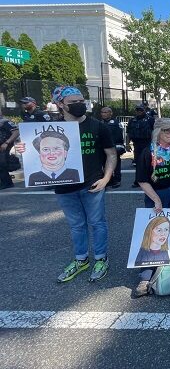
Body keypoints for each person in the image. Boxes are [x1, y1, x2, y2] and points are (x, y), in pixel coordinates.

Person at [17, 86, 117, 283]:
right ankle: (81, 259)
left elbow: (111, 154)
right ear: (60, 104)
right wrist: (23, 150)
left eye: (82, 100)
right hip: (64, 187)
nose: (80, 105)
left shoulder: (98, 126)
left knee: (97, 223)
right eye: (74, 102)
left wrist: (106, 178)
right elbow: (34, 155)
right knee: (76, 225)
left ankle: (101, 258)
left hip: (92, 184)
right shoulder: (49, 129)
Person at [134, 117, 170, 297]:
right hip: (156, 194)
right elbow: (142, 180)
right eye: (167, 131)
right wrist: (156, 199)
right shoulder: (147, 153)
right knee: (153, 234)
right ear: (158, 133)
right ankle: (145, 276)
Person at [126, 104, 154, 183]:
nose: (139, 112)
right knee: (138, 162)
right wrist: (127, 144)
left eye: (141, 110)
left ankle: (150, 179)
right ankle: (138, 180)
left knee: (149, 162)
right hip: (137, 143)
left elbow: (155, 132)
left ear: (144, 110)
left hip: (148, 143)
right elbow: (128, 133)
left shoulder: (150, 119)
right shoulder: (132, 120)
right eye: (137, 110)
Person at [100, 107, 125, 188]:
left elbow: (119, 136)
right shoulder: (100, 123)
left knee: (116, 164)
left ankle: (117, 180)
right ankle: (109, 180)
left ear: (111, 113)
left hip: (114, 147)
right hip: (103, 147)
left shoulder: (115, 123)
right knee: (105, 164)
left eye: (105, 112)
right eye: (102, 112)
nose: (103, 114)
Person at [0, 109, 19, 190]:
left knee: (1, 164)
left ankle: (7, 183)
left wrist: (7, 143)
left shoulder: (4, 122)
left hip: (3, 145)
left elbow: (16, 132)